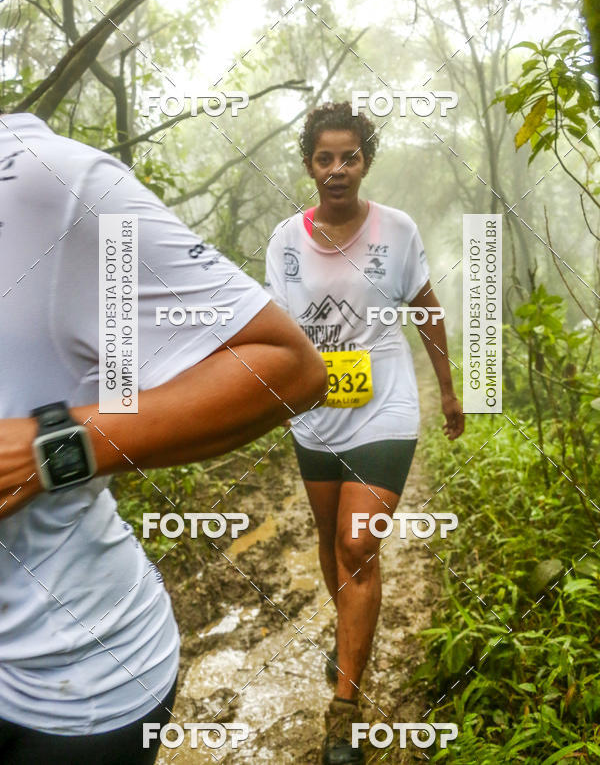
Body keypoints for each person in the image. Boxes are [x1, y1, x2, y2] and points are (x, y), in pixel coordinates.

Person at [0, 111, 327, 764]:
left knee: (348, 546)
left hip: (64, 687)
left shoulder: (51, 183)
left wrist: (51, 450)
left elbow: (287, 366)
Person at [265, 101, 464, 764]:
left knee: (357, 544)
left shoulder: (397, 231)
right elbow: (277, 335)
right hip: (316, 413)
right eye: (325, 157)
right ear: (310, 166)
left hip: (387, 408)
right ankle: (351, 633)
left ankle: (344, 709)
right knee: (329, 541)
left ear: (365, 161)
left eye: (350, 156)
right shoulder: (284, 242)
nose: (338, 169)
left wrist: (450, 389)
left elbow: (426, 311)